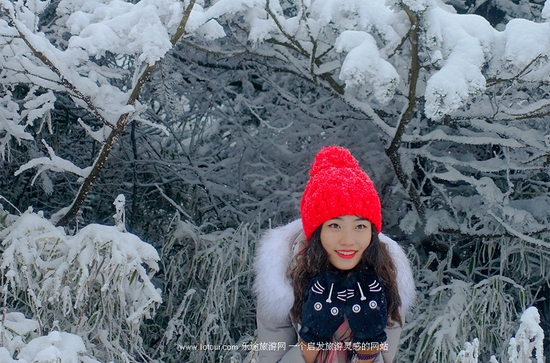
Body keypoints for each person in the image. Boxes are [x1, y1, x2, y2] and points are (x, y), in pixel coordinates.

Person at [253, 146, 416, 363]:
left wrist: (369, 344)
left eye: (359, 226)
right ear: (317, 231)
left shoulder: (386, 277)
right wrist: (312, 338)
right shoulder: (282, 278)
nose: (348, 240)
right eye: (335, 226)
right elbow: (270, 359)